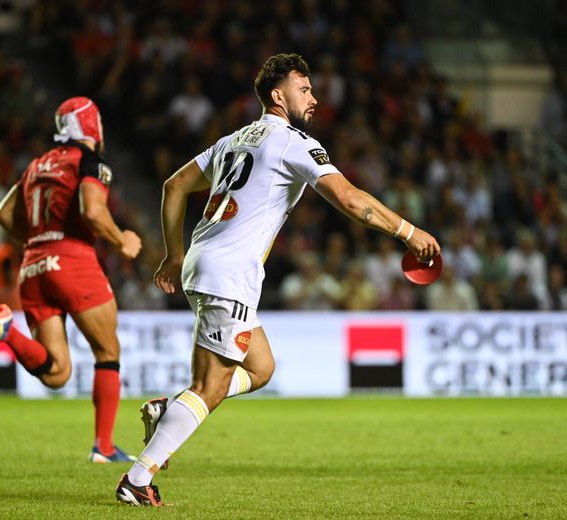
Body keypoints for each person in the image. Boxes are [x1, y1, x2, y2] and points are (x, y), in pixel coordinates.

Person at [114, 53, 440, 506]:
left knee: (260, 368)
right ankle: (137, 478)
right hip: (229, 272)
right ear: (277, 95)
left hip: (206, 265)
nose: (314, 97)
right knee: (210, 387)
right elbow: (348, 199)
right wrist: (408, 231)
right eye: (304, 89)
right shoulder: (292, 141)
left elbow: (173, 186)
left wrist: (175, 254)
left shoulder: (233, 140)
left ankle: (169, 410)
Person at [0, 97, 143, 463]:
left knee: (57, 373)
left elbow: (4, 214)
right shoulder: (89, 161)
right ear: (92, 126)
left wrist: (41, 239)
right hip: (73, 259)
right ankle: (104, 448)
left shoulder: (35, 165)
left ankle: (6, 332)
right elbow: (93, 211)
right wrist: (121, 239)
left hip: (32, 265)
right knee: (108, 351)